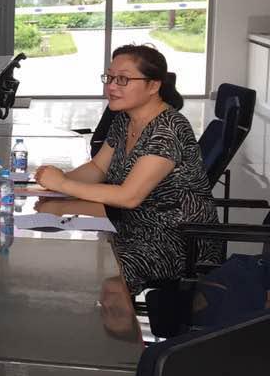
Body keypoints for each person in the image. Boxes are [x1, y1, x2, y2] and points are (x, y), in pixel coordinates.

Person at [34, 44, 220, 294]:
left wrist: (63, 185)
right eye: (110, 77)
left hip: (176, 240)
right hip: (132, 225)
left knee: (91, 271)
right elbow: (97, 168)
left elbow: (128, 197)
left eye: (123, 79)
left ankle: (111, 317)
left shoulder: (168, 130)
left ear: (153, 86)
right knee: (65, 250)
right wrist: (52, 187)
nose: (111, 86)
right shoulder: (125, 119)